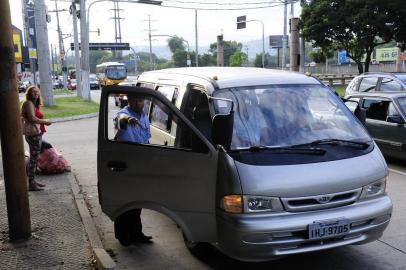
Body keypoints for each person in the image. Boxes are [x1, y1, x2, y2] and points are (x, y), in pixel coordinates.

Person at [113, 93, 152, 244]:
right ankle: (123, 236)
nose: (137, 103)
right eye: (134, 100)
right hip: (125, 165)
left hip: (140, 164)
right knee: (125, 202)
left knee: (137, 202)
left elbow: (146, 138)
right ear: (128, 101)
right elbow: (120, 120)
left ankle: (136, 233)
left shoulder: (144, 116)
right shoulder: (122, 114)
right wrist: (128, 120)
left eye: (140, 100)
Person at [21, 85, 52, 191]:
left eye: (37, 92)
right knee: (33, 160)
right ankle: (31, 184)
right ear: (28, 94)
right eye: (33, 92)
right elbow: (32, 118)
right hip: (33, 135)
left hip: (35, 134)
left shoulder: (33, 104)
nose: (36, 94)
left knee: (34, 159)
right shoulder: (28, 103)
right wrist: (45, 122)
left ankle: (33, 181)